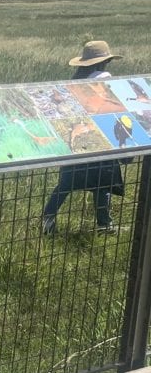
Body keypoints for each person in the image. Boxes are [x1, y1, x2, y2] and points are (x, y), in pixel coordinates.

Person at [41, 40, 125, 235]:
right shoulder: (108, 81)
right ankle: (104, 225)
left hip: (76, 140)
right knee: (102, 185)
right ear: (105, 62)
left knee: (65, 184)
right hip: (103, 141)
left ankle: (48, 220)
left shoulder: (76, 82)